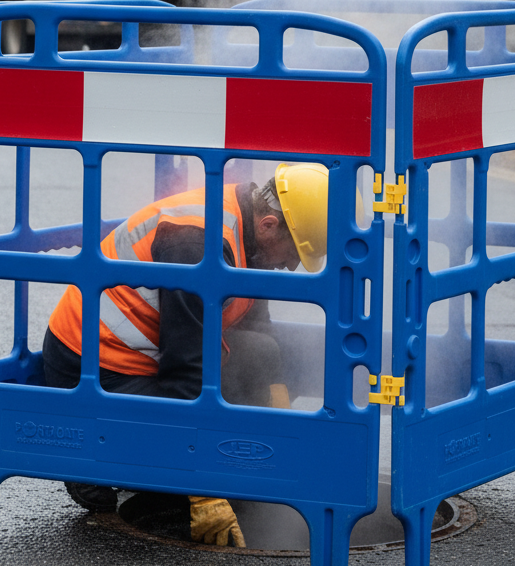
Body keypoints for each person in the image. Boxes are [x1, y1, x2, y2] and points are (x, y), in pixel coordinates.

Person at [42, 162, 330, 546]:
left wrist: (281, 426)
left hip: (152, 350)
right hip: (96, 368)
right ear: (269, 225)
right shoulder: (197, 246)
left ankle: (167, 462)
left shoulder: (247, 231)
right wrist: (203, 492)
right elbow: (185, 369)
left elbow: (258, 334)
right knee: (184, 486)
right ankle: (89, 454)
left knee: (255, 365)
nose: (292, 265)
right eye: (295, 251)